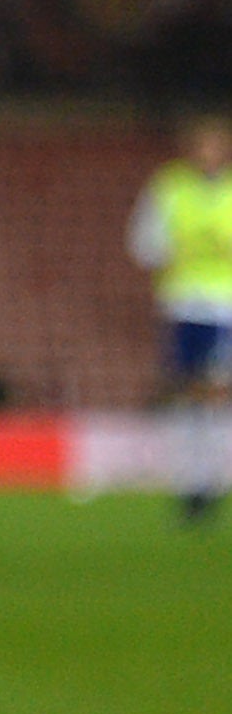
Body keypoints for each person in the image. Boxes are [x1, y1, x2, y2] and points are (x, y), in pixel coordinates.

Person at [128, 112, 232, 519]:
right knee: (188, 395)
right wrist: (173, 250)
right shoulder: (169, 187)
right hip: (183, 304)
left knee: (216, 393)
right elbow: (143, 244)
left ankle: (214, 481)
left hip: (225, 306)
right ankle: (191, 483)